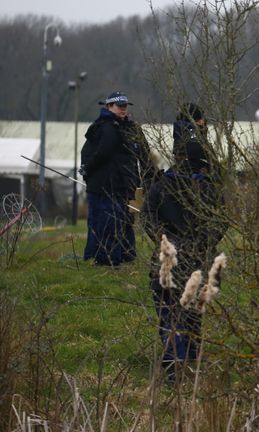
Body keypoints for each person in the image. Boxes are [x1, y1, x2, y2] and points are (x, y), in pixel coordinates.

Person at [143, 103, 225, 381]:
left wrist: (163, 241)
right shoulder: (210, 190)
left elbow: (147, 220)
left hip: (168, 260)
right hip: (200, 259)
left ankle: (173, 367)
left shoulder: (160, 186)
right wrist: (206, 244)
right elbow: (220, 223)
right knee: (192, 313)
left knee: (169, 314)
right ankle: (188, 362)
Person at [80, 91, 155, 266]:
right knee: (104, 222)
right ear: (109, 106)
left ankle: (124, 256)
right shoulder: (103, 128)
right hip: (103, 186)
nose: (123, 109)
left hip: (124, 185)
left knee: (123, 221)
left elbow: (144, 155)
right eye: (119, 106)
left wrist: (149, 177)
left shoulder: (132, 128)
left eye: (125, 106)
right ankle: (104, 259)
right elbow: (96, 153)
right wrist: (87, 170)